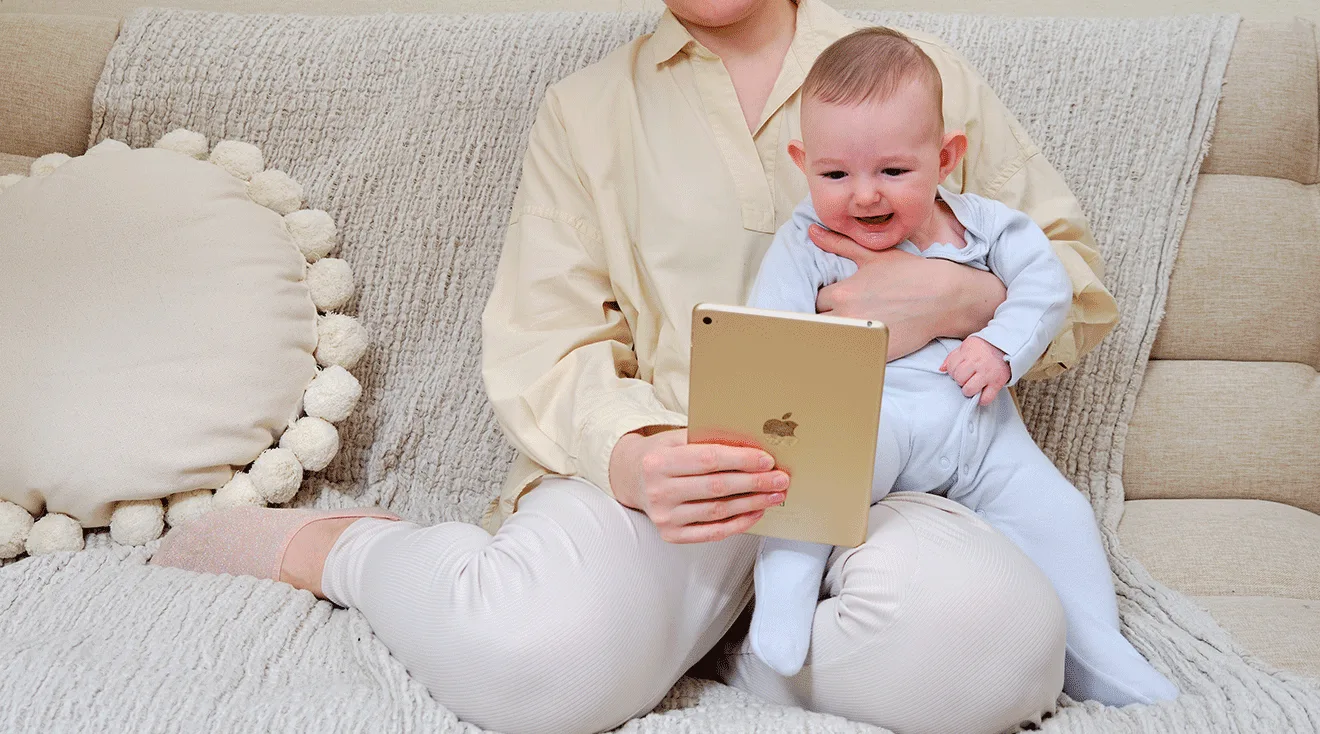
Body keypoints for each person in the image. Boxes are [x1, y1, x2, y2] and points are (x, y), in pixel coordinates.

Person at [150, 1, 1124, 733]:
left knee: (1000, 658)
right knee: (529, 666)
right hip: (682, 483)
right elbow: (547, 341)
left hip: (889, 473)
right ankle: (346, 547)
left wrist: (968, 299)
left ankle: (706, 644)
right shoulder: (587, 111)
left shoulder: (918, 66)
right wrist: (636, 453)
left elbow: (1070, 276)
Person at [742, 28, 1178, 709]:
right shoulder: (807, 242)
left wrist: (1001, 345)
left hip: (981, 433)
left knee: (1059, 514)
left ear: (945, 158)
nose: (863, 197)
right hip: (873, 424)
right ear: (804, 164)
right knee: (817, 477)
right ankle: (784, 592)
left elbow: (1046, 287)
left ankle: (1099, 653)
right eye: (835, 175)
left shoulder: (989, 229)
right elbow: (773, 338)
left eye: (893, 172)